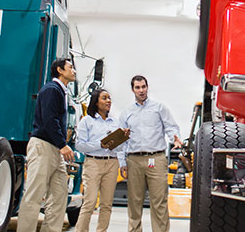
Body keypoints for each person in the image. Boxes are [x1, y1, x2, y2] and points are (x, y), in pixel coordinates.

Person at [18, 58, 77, 232]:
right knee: (34, 196)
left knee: (59, 197)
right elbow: (49, 119)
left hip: (54, 150)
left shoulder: (61, 91)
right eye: (70, 67)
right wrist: (63, 144)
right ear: (59, 70)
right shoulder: (52, 90)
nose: (73, 71)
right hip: (43, 146)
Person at [117, 75, 182, 232]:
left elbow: (171, 127)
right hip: (134, 160)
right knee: (134, 201)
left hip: (156, 159)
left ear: (147, 87)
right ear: (132, 89)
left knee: (159, 201)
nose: (141, 90)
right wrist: (122, 163)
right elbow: (121, 141)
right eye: (137, 88)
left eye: (143, 87)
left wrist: (176, 139)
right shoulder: (126, 113)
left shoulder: (159, 108)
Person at [73, 88, 125, 232]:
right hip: (93, 163)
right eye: (104, 98)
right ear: (96, 102)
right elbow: (80, 145)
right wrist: (99, 145)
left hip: (111, 164)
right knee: (89, 202)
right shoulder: (87, 121)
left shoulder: (115, 122)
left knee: (107, 204)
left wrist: (121, 139)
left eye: (109, 98)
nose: (108, 101)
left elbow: (120, 149)